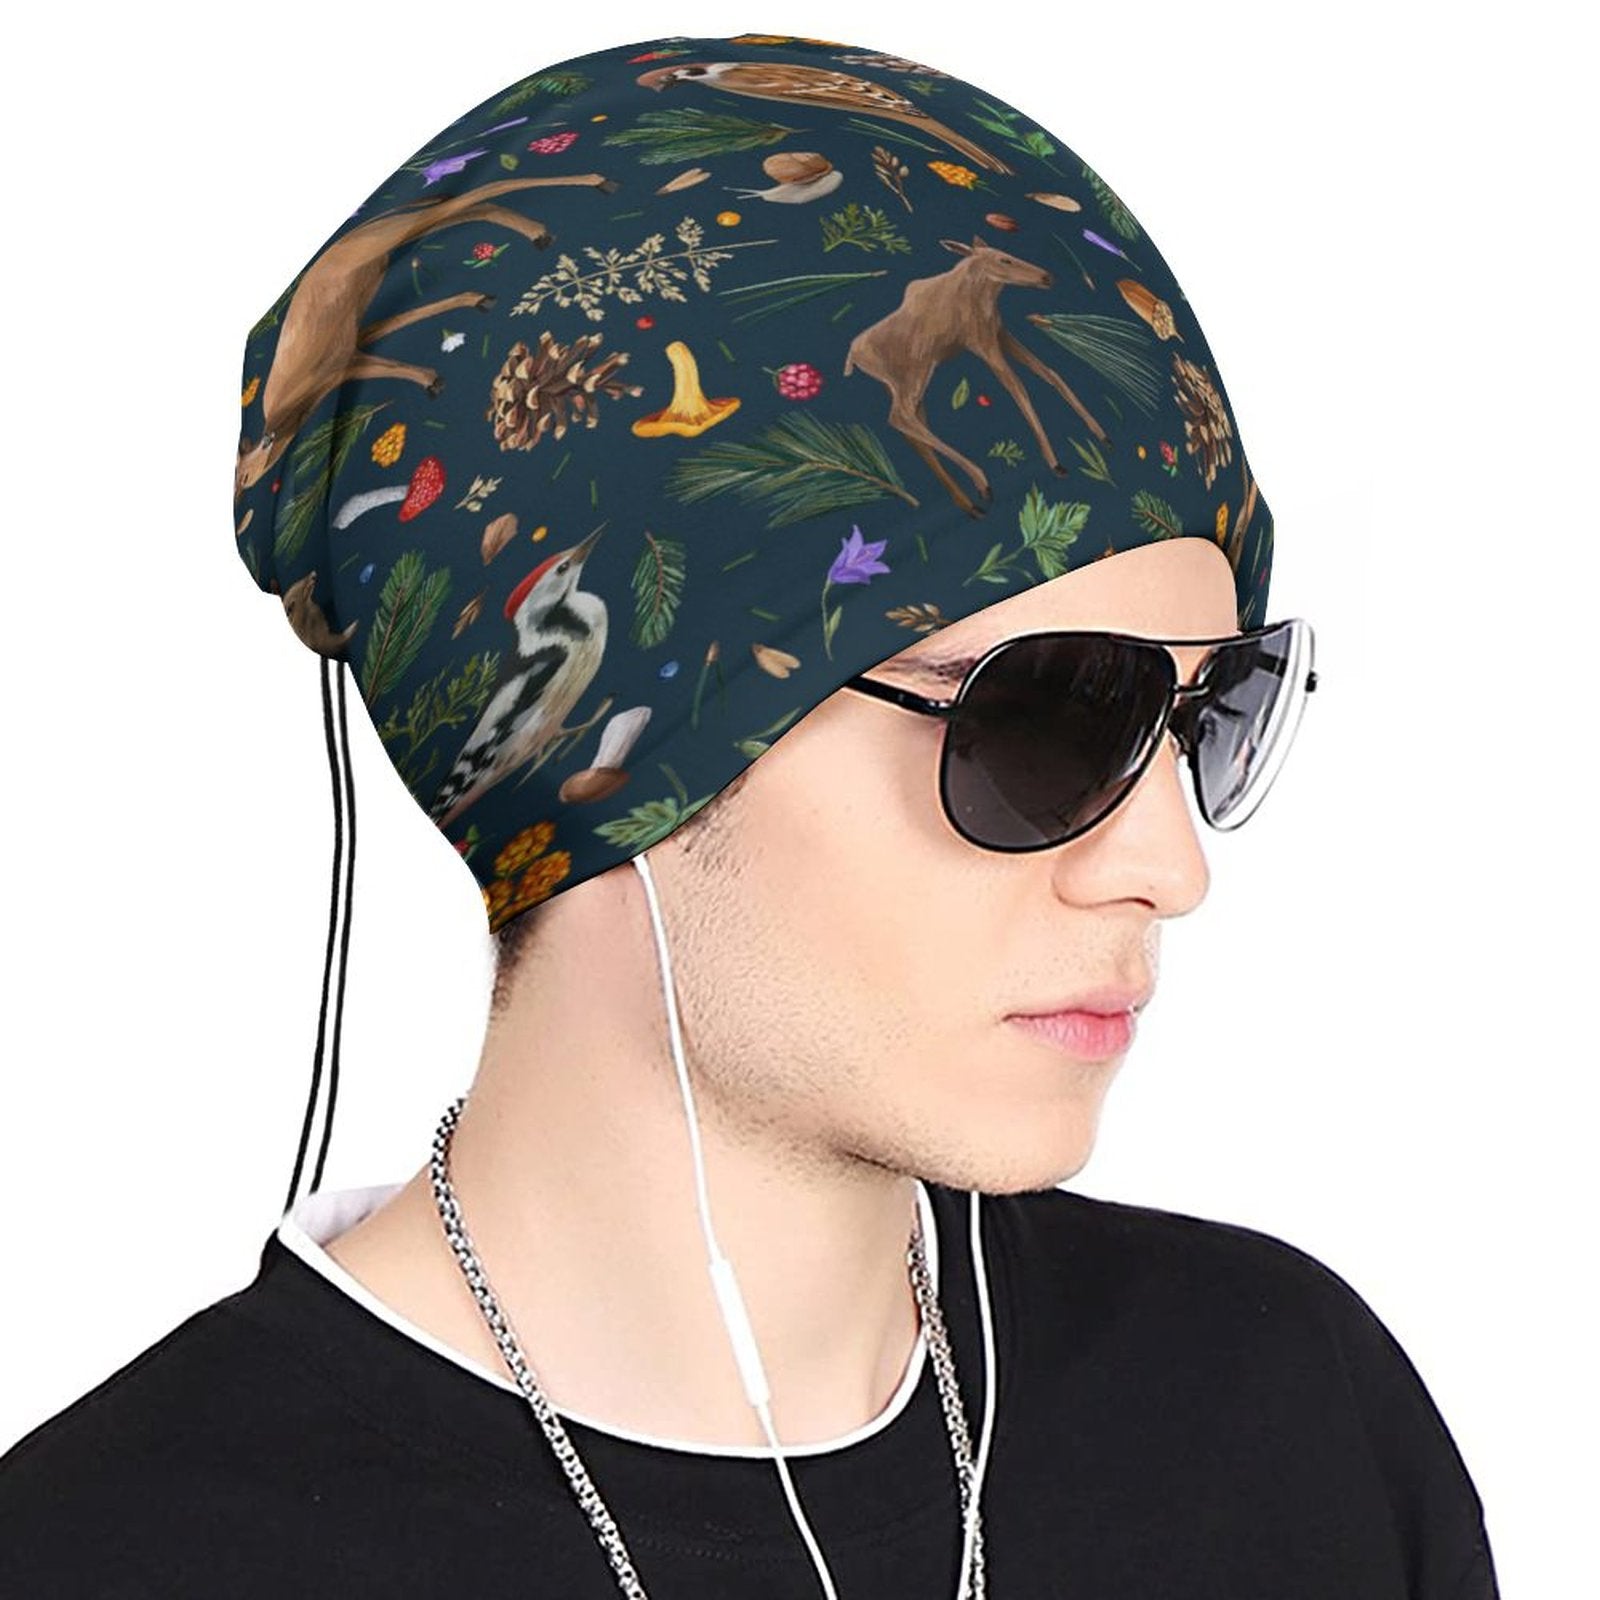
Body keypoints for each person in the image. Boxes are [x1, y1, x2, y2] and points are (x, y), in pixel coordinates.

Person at [0, 28, 1498, 1599]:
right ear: (608, 756)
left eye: (1201, 713)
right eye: (1050, 719)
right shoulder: (112, 1555)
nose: (1168, 867)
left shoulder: (1286, 1414)